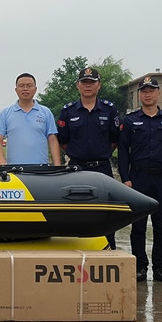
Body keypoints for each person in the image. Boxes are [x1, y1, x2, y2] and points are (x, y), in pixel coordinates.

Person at [118, 77, 162, 282]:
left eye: (151, 90)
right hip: (138, 178)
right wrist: (126, 178)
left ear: (158, 93)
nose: (147, 94)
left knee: (160, 225)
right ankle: (140, 267)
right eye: (144, 91)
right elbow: (123, 151)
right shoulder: (130, 120)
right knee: (138, 226)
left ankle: (159, 268)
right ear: (140, 95)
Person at [57, 67, 120, 249]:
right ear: (78, 85)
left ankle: (108, 250)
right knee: (77, 211)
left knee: (106, 211)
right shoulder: (68, 111)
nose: (88, 86)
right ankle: (79, 250)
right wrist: (77, 154)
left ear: (98, 85)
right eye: (84, 82)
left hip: (102, 168)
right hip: (77, 168)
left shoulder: (109, 109)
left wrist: (100, 153)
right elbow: (63, 141)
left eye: (91, 82)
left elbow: (115, 139)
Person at [0, 73, 60, 166]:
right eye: (21, 86)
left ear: (35, 89)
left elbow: (52, 140)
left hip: (41, 169)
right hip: (14, 169)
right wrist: (2, 163)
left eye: (29, 86)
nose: (25, 89)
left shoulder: (46, 112)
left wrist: (57, 165)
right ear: (16, 90)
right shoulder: (5, 113)